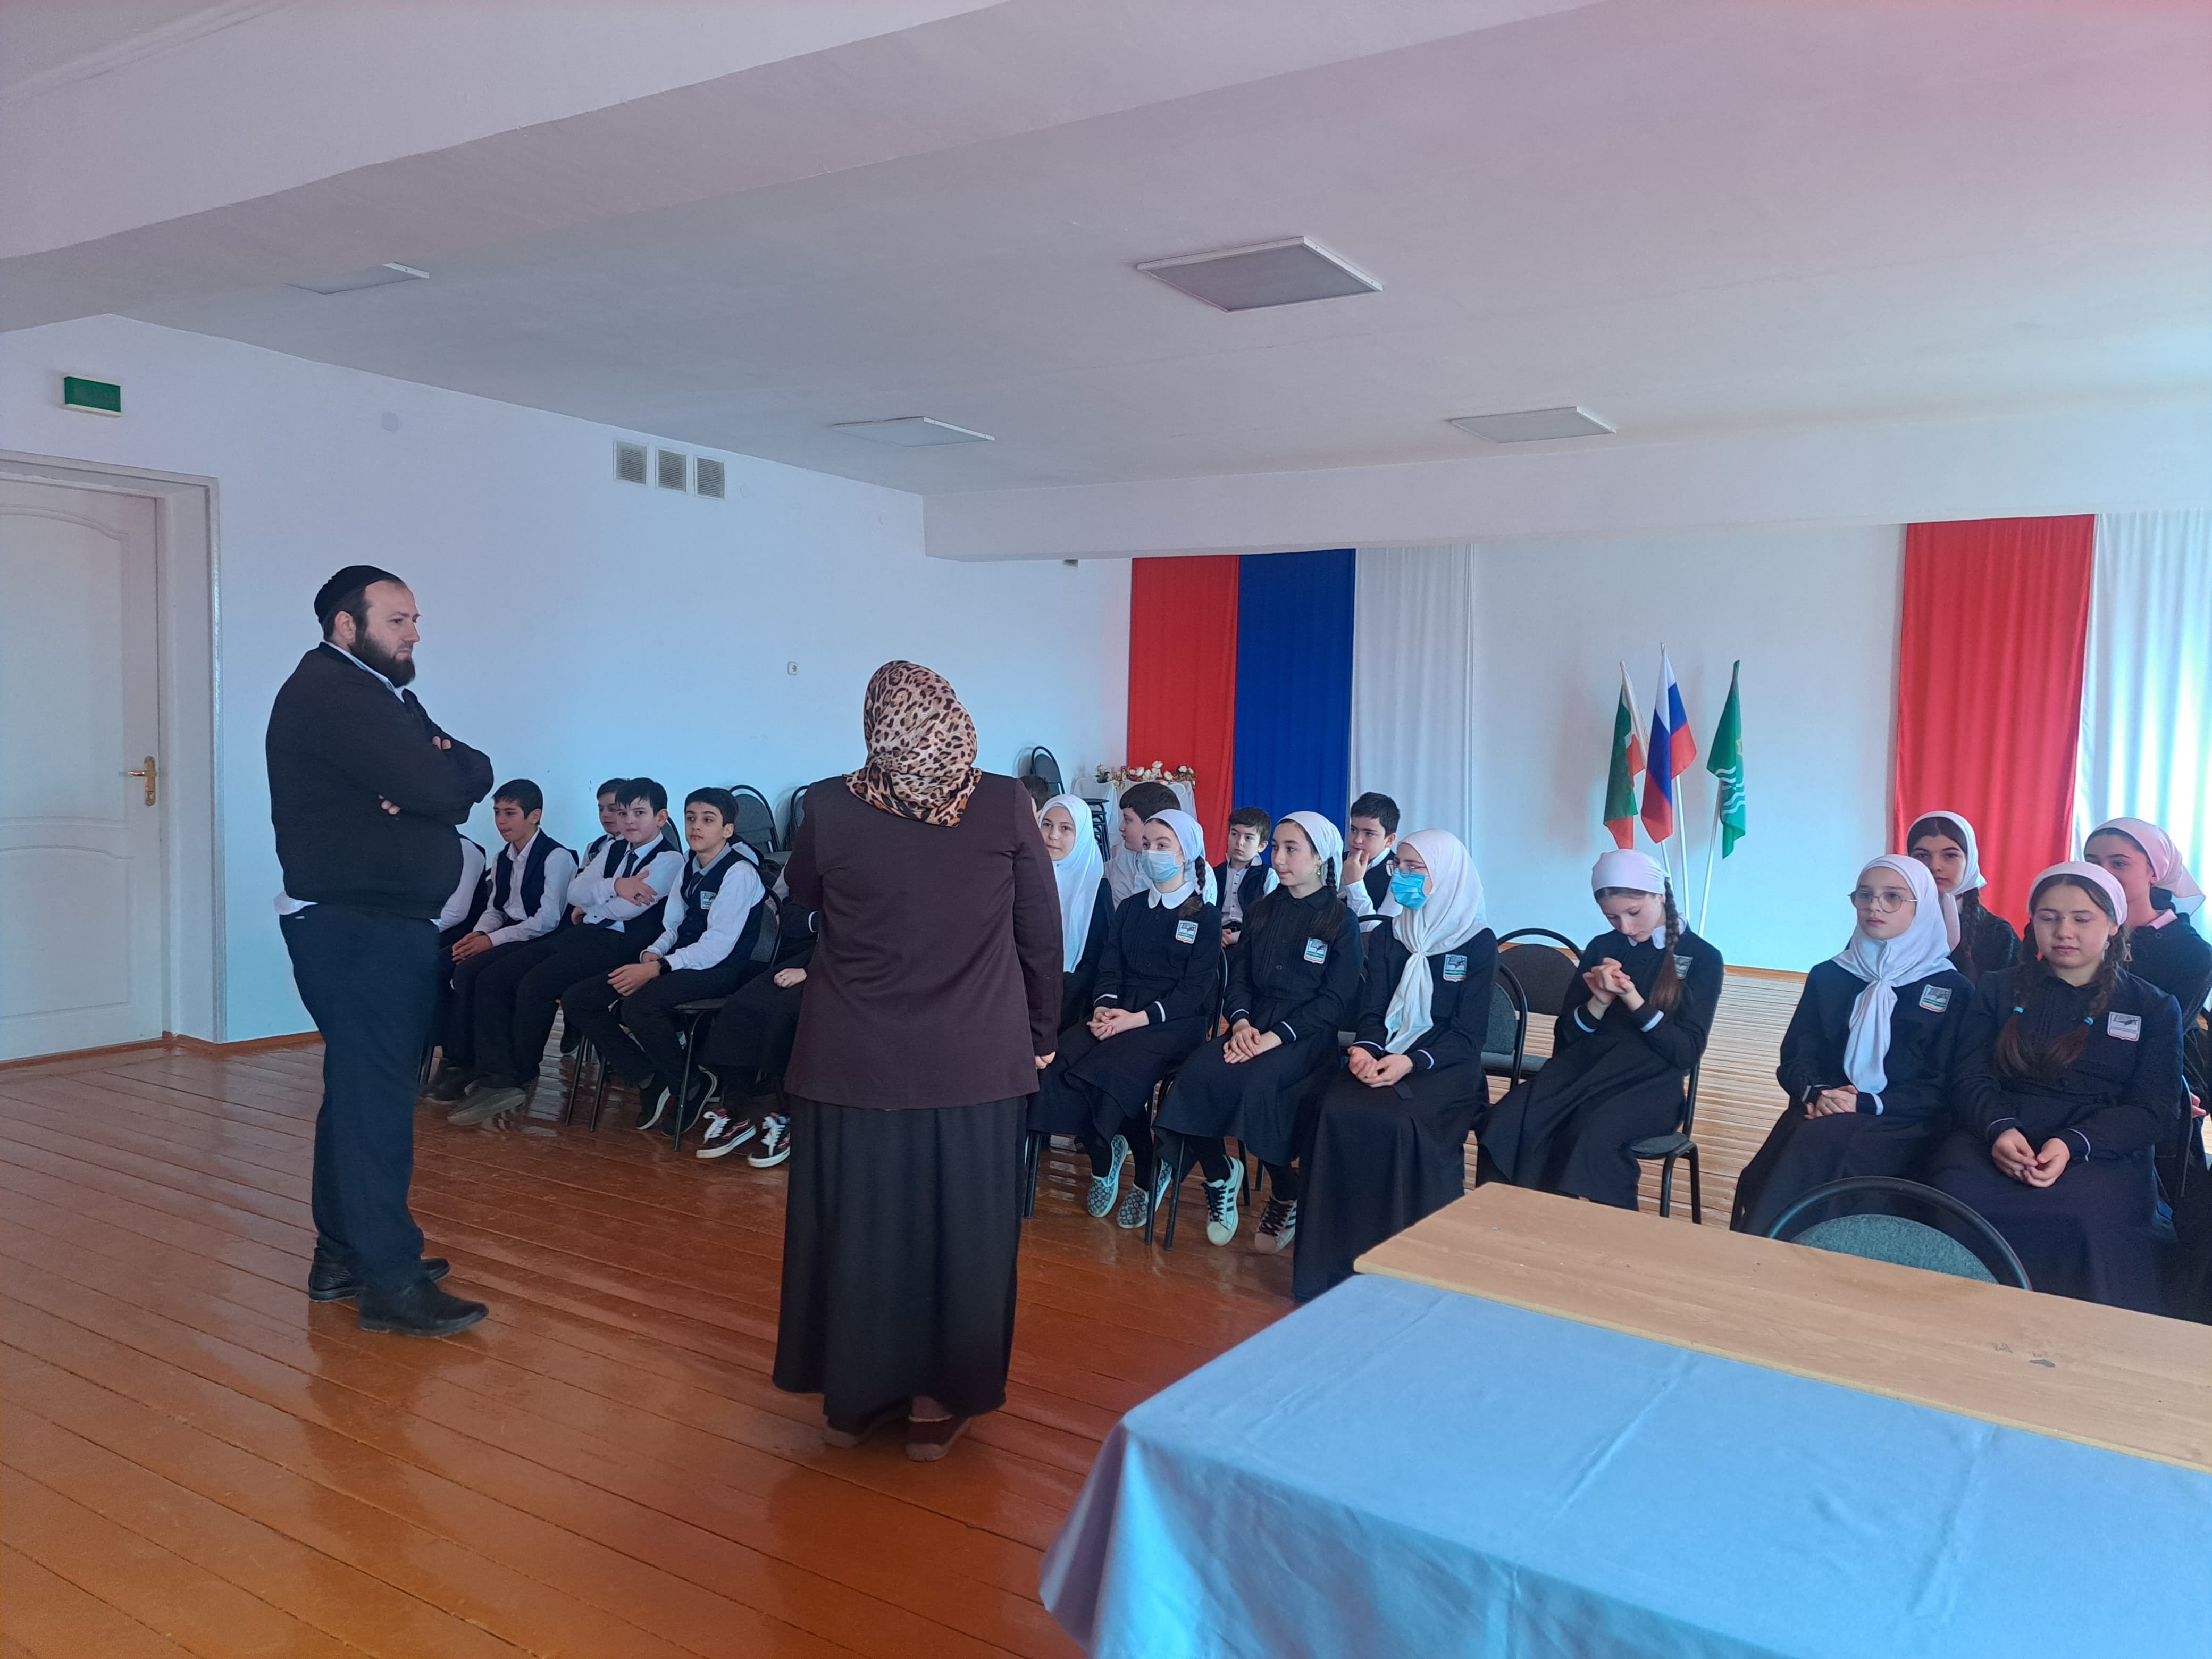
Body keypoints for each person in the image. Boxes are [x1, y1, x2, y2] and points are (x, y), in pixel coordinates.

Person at [773, 661, 1060, 1462]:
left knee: (858, 1226)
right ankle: (939, 1400)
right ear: (953, 719)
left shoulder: (828, 804)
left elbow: (802, 897)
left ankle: (853, 1398)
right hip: (973, 1057)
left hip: (851, 1055)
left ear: (876, 725)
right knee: (960, 1229)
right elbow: (1039, 931)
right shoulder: (1003, 801)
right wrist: (1042, 1029)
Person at [267, 564, 491, 1336]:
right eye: (398, 620)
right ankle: (390, 1280)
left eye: (414, 619)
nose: (414, 634)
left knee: (361, 1093)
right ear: (346, 625)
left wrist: (436, 777)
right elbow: (441, 788)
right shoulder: (335, 693)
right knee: (377, 1105)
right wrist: (433, 782)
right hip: (357, 927)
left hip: (375, 924)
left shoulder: (380, 691)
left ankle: (341, 1257)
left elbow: (472, 770)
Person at [1928, 862, 2184, 1311]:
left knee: (2082, 1217)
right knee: (1954, 1200)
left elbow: (2154, 1110)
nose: (2064, 931)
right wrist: (2000, 1130)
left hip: (2099, 1149)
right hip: (1995, 1132)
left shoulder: (2154, 1007)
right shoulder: (1996, 989)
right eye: (2049, 918)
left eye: (2082, 919)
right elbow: (1968, 1076)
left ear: (2114, 925)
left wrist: (2072, 1144)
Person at [1293, 829, 1497, 1300]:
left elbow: (1468, 1035)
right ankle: (1332, 1266)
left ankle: (1408, 1260)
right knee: (1335, 1110)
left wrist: (1411, 1062)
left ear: (1445, 875)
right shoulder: (1390, 933)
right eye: (1398, 866)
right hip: (1386, 1052)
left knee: (1399, 1122)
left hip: (1445, 1066)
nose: (1400, 876)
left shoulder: (1478, 942)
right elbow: (1374, 1009)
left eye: (1413, 868)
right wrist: (1365, 1049)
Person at [1728, 855, 1971, 1235]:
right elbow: (1795, 1059)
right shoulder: (1830, 976)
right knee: (1786, 1159)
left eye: (1893, 897)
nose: (1875, 906)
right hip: (1822, 1109)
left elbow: (1944, 1086)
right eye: (1864, 895)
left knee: (1836, 1156)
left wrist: (1866, 1103)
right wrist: (1819, 1094)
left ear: (1921, 907)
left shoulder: (1952, 989)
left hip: (1907, 1121)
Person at [1155, 811, 1363, 1249]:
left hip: (1305, 1037)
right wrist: (1242, 1022)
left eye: (1291, 849)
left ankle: (1286, 1190)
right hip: (1251, 1027)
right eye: (1277, 848)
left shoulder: (1339, 921)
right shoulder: (1262, 911)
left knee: (1256, 1087)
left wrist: (1273, 1037)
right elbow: (1240, 980)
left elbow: (1335, 1001)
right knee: (1195, 1076)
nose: (1279, 858)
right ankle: (1220, 1174)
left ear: (1319, 858)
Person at [1478, 849, 1724, 1208]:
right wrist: (1599, 1002)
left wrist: (1632, 999)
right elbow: (1567, 1038)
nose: (1625, 927)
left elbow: (1685, 1051)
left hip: (1650, 1086)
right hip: (1584, 1072)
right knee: (1508, 1119)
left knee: (1591, 1136)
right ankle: (1508, 1218)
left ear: (1660, 895)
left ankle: (1605, 1234)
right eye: (1612, 917)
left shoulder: (1703, 957)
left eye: (1634, 913)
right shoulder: (1603, 947)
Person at [448, 778, 682, 1124]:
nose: (629, 820)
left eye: (639, 813)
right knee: (495, 975)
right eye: (623, 813)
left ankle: (518, 1075)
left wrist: (594, 904)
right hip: (584, 934)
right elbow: (576, 891)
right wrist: (616, 885)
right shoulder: (614, 849)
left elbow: (626, 911)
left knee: (535, 985)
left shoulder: (670, 860)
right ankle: (494, 1074)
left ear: (660, 818)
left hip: (622, 946)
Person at [1031, 807, 1221, 1227]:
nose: (1151, 853)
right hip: (1117, 1010)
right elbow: (1110, 967)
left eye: (1163, 845)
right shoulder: (1132, 908)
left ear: (1186, 853)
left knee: (1108, 1070)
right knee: (1059, 1062)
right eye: (1147, 844)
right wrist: (1103, 1007)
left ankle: (1148, 1170)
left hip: (1171, 1024)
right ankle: (1104, 1157)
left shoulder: (1203, 916)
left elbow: (1193, 993)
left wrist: (1134, 1020)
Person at [560, 787, 767, 1133]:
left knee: (639, 1008)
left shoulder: (739, 873)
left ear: (727, 830)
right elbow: (672, 926)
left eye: (708, 820)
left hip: (721, 969)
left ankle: (690, 1084)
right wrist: (653, 952)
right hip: (678, 961)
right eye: (690, 818)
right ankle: (649, 1077)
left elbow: (717, 946)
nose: (696, 826)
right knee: (578, 1000)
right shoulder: (689, 866)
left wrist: (657, 968)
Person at [2084, 817, 2211, 1321]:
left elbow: (2168, 1034)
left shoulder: (2190, 951)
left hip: (2153, 1077)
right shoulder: (2071, 923)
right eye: (2093, 862)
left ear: (2155, 872)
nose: (2104, 873)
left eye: (2119, 863)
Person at [424, 779, 574, 1103]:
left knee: (478, 974)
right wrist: (479, 934)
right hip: (510, 934)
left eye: (510, 813)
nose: (501, 821)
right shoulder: (502, 857)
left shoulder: (557, 857)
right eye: (497, 813)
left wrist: (492, 941)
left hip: (543, 940)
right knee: (445, 964)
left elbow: (547, 920)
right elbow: (496, 909)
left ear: (535, 816)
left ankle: (484, 1066)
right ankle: (454, 1057)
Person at [693, 896, 816, 1166]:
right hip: (809, 951)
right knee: (742, 1006)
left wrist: (811, 971)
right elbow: (791, 917)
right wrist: (820, 921)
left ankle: (790, 1118)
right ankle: (737, 1112)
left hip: (851, 963)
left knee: (786, 1014)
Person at [1904, 810, 2018, 981]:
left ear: (1970, 861)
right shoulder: (1889, 920)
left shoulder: (1998, 934)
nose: (1935, 866)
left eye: (1950, 856)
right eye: (1922, 856)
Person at [1039, 793, 1112, 1032]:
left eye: (1065, 828)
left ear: (1081, 836)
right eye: (1047, 825)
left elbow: (1097, 957)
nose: (1053, 835)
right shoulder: (1022, 876)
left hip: (1073, 994)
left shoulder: (1097, 889)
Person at [1104, 781, 1180, 905]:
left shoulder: (1175, 869)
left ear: (1151, 823)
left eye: (1128, 820)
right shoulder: (1125, 856)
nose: (1121, 827)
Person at [1214, 805, 1276, 952]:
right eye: (1234, 834)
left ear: (1262, 846)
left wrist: (1236, 937)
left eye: (1248, 838)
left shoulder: (1268, 876)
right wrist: (1216, 933)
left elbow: (1271, 920)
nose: (1239, 842)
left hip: (1252, 941)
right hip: (1216, 938)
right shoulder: (1215, 873)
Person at [1340, 791, 1401, 932]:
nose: (1357, 840)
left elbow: (1379, 933)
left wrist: (1354, 885)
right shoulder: (1338, 861)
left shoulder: (1399, 874)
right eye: (1354, 830)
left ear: (1390, 840)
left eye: (1369, 834)